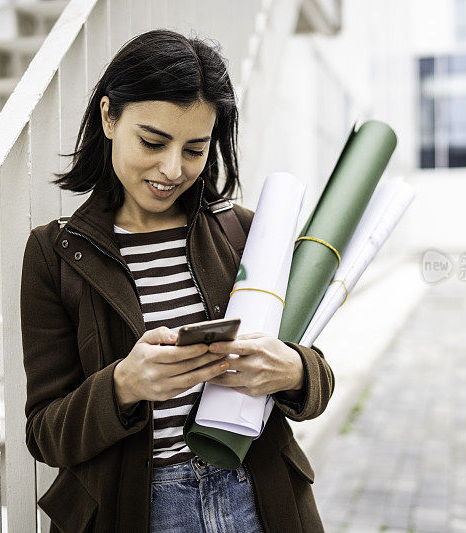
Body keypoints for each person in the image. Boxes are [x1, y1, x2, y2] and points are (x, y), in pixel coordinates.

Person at [20, 29, 334, 532]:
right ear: (108, 116)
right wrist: (124, 384)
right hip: (139, 509)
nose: (172, 169)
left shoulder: (248, 234)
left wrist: (294, 371)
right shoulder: (55, 255)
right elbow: (44, 434)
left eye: (195, 149)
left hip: (257, 498)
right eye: (152, 141)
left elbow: (319, 377)